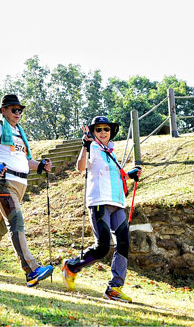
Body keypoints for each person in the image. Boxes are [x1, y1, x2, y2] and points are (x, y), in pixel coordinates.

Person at [0, 94, 54, 287]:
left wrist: (40, 165)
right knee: (16, 221)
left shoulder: (19, 133)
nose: (17, 113)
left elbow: (24, 162)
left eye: (20, 110)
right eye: (13, 109)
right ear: (3, 110)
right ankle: (31, 270)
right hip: (3, 183)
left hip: (19, 184)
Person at [60, 116, 140, 303]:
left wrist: (130, 174)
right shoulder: (93, 148)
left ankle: (114, 288)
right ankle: (72, 266)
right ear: (93, 132)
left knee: (123, 245)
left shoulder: (111, 153)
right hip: (99, 202)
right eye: (98, 129)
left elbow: (114, 177)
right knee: (103, 247)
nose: (103, 132)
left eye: (106, 129)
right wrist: (85, 146)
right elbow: (81, 167)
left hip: (117, 203)